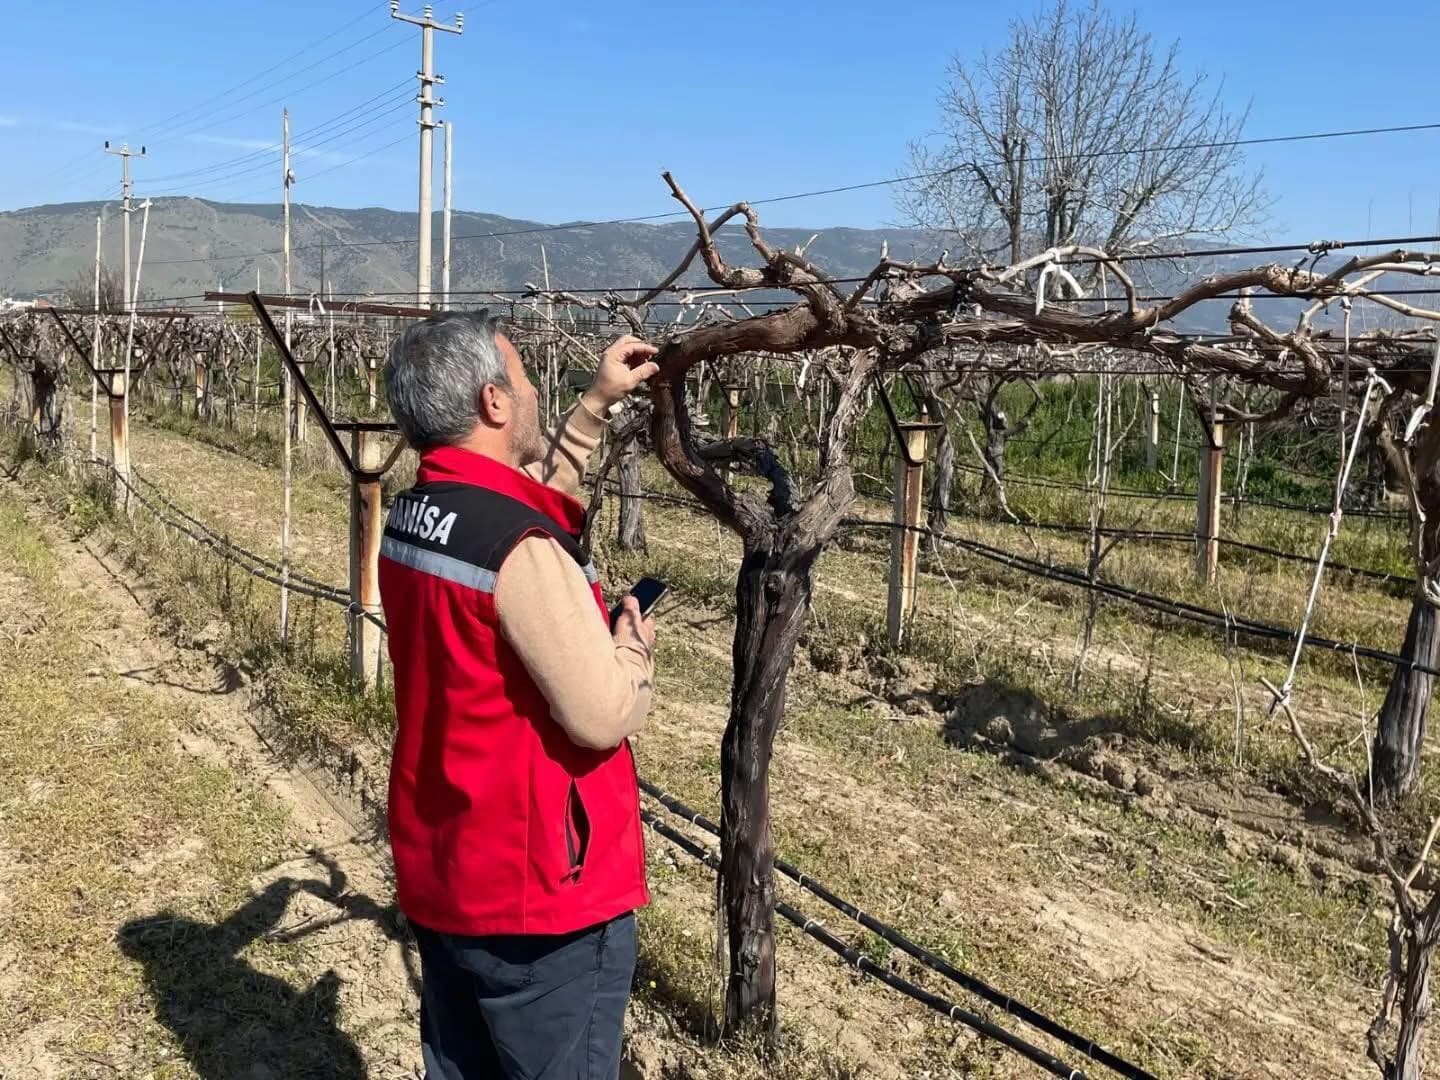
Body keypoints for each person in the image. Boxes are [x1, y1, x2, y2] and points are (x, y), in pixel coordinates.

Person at [378, 309, 661, 1080]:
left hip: (448, 867)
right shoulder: (519, 550)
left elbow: (516, 501)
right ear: (495, 403)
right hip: (539, 896)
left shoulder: (415, 519)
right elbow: (601, 712)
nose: (535, 390)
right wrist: (632, 645)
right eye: (526, 378)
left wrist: (593, 406)